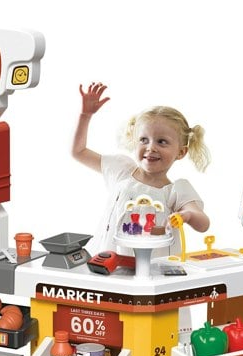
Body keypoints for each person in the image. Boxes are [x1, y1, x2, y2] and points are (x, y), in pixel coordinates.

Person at [72, 82, 211, 255]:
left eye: (161, 141)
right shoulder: (121, 170)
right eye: (144, 140)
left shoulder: (176, 190)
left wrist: (187, 215)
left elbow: (203, 223)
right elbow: (78, 152)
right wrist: (85, 116)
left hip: (150, 268)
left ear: (181, 152)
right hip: (104, 261)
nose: (150, 147)